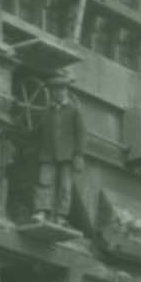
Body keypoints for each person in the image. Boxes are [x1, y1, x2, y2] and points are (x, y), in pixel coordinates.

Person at [39, 76, 84, 224]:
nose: (58, 93)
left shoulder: (75, 110)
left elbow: (81, 134)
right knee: (45, 182)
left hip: (68, 154)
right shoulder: (48, 110)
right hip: (48, 152)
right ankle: (42, 211)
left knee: (65, 186)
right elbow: (42, 131)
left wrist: (78, 154)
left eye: (61, 90)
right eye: (55, 90)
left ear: (66, 91)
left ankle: (61, 215)